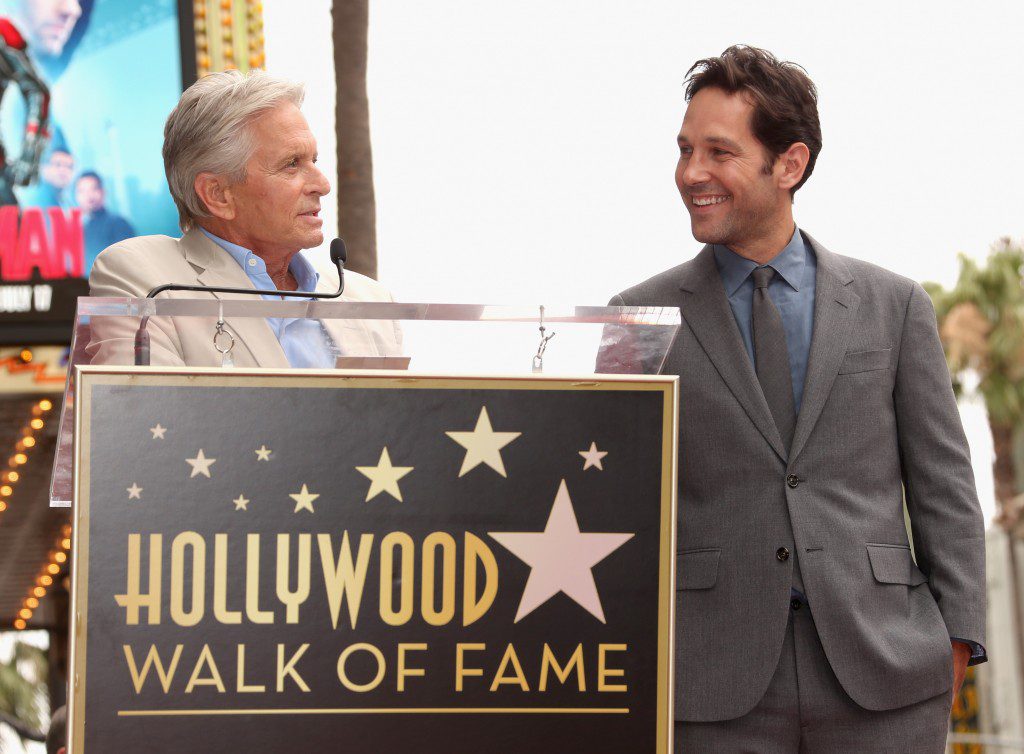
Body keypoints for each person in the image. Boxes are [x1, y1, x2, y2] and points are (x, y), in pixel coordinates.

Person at [607, 46, 985, 751]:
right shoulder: (637, 318)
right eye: (685, 149)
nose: (692, 173)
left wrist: (958, 638)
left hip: (888, 675)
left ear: (790, 164)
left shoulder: (894, 306)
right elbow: (615, 504)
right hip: (707, 683)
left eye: (719, 152)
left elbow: (946, 486)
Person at [87, 70, 401, 366]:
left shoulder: (371, 301)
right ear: (218, 194)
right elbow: (148, 418)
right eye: (292, 164)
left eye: (314, 160)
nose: (322, 184)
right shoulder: (142, 278)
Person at [75, 170, 134, 269]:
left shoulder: (118, 224)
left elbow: (127, 264)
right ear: (76, 196)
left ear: (103, 192)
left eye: (93, 189)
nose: (89, 195)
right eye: (82, 191)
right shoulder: (78, 228)